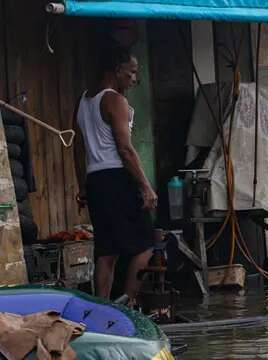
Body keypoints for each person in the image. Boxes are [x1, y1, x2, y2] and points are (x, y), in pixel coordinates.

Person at [73, 45, 157, 303]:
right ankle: (129, 304)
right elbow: (126, 149)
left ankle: (103, 308)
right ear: (117, 69)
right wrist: (146, 186)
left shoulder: (83, 101)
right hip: (118, 178)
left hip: (96, 180)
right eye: (131, 72)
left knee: (107, 252)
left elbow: (77, 149)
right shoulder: (115, 101)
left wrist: (84, 186)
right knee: (146, 246)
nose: (133, 79)